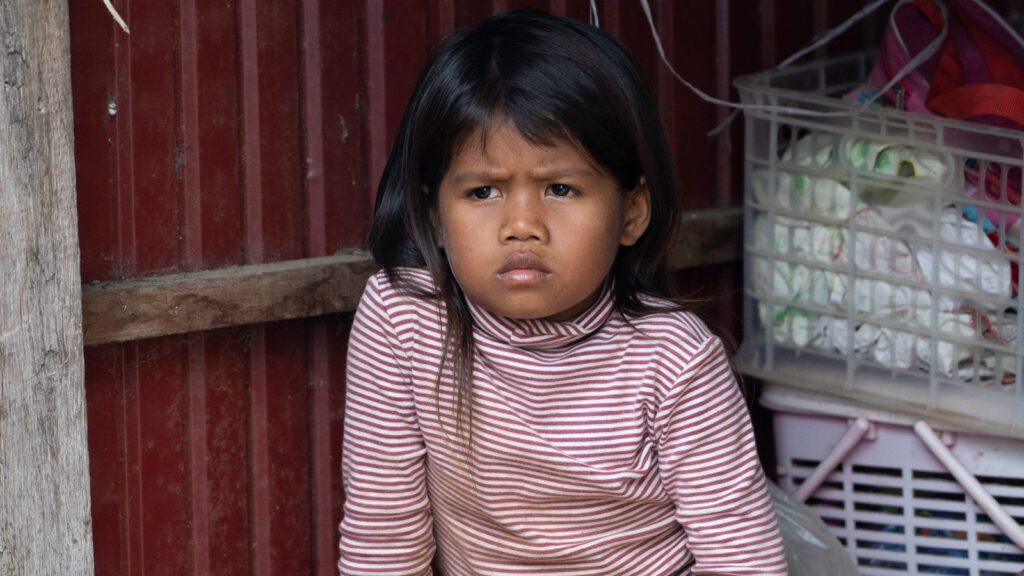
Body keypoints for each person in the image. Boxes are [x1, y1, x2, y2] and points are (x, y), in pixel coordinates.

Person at [339, 10, 787, 576]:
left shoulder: (673, 357)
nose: (521, 224)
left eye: (560, 188)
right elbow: (385, 536)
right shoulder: (403, 318)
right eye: (482, 191)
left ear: (631, 211)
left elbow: (741, 562)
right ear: (433, 215)